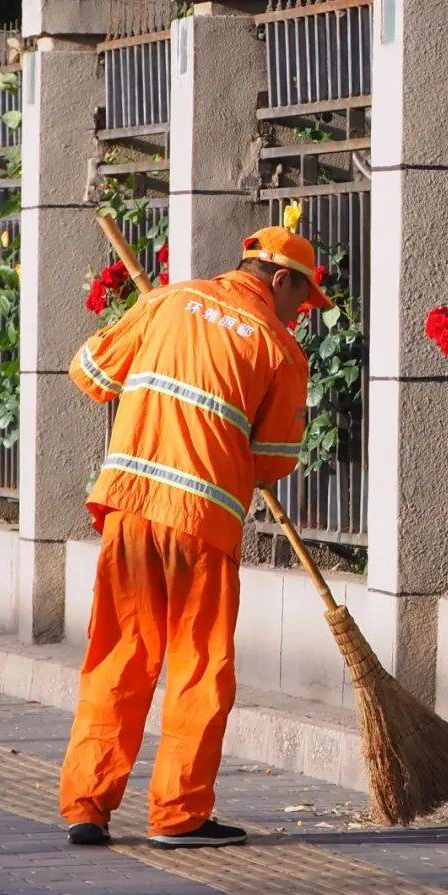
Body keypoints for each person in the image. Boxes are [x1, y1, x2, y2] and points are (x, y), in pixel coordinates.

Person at [59, 224, 331, 849]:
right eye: (302, 301)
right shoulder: (280, 351)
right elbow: (273, 460)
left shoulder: (166, 301)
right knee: (197, 665)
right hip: (204, 522)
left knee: (118, 655)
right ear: (280, 280)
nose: (302, 316)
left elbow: (89, 371)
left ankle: (87, 807)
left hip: (129, 506)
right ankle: (178, 814)